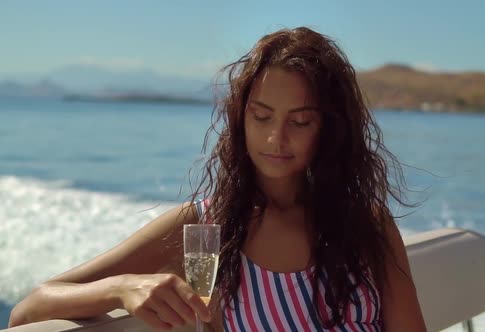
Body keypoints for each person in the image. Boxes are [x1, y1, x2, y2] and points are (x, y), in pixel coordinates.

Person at [9, 26, 426, 331]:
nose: (275, 138)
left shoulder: (365, 225)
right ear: (240, 118)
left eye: (300, 122)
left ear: (329, 129)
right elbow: (30, 309)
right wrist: (123, 288)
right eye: (261, 116)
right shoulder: (207, 232)